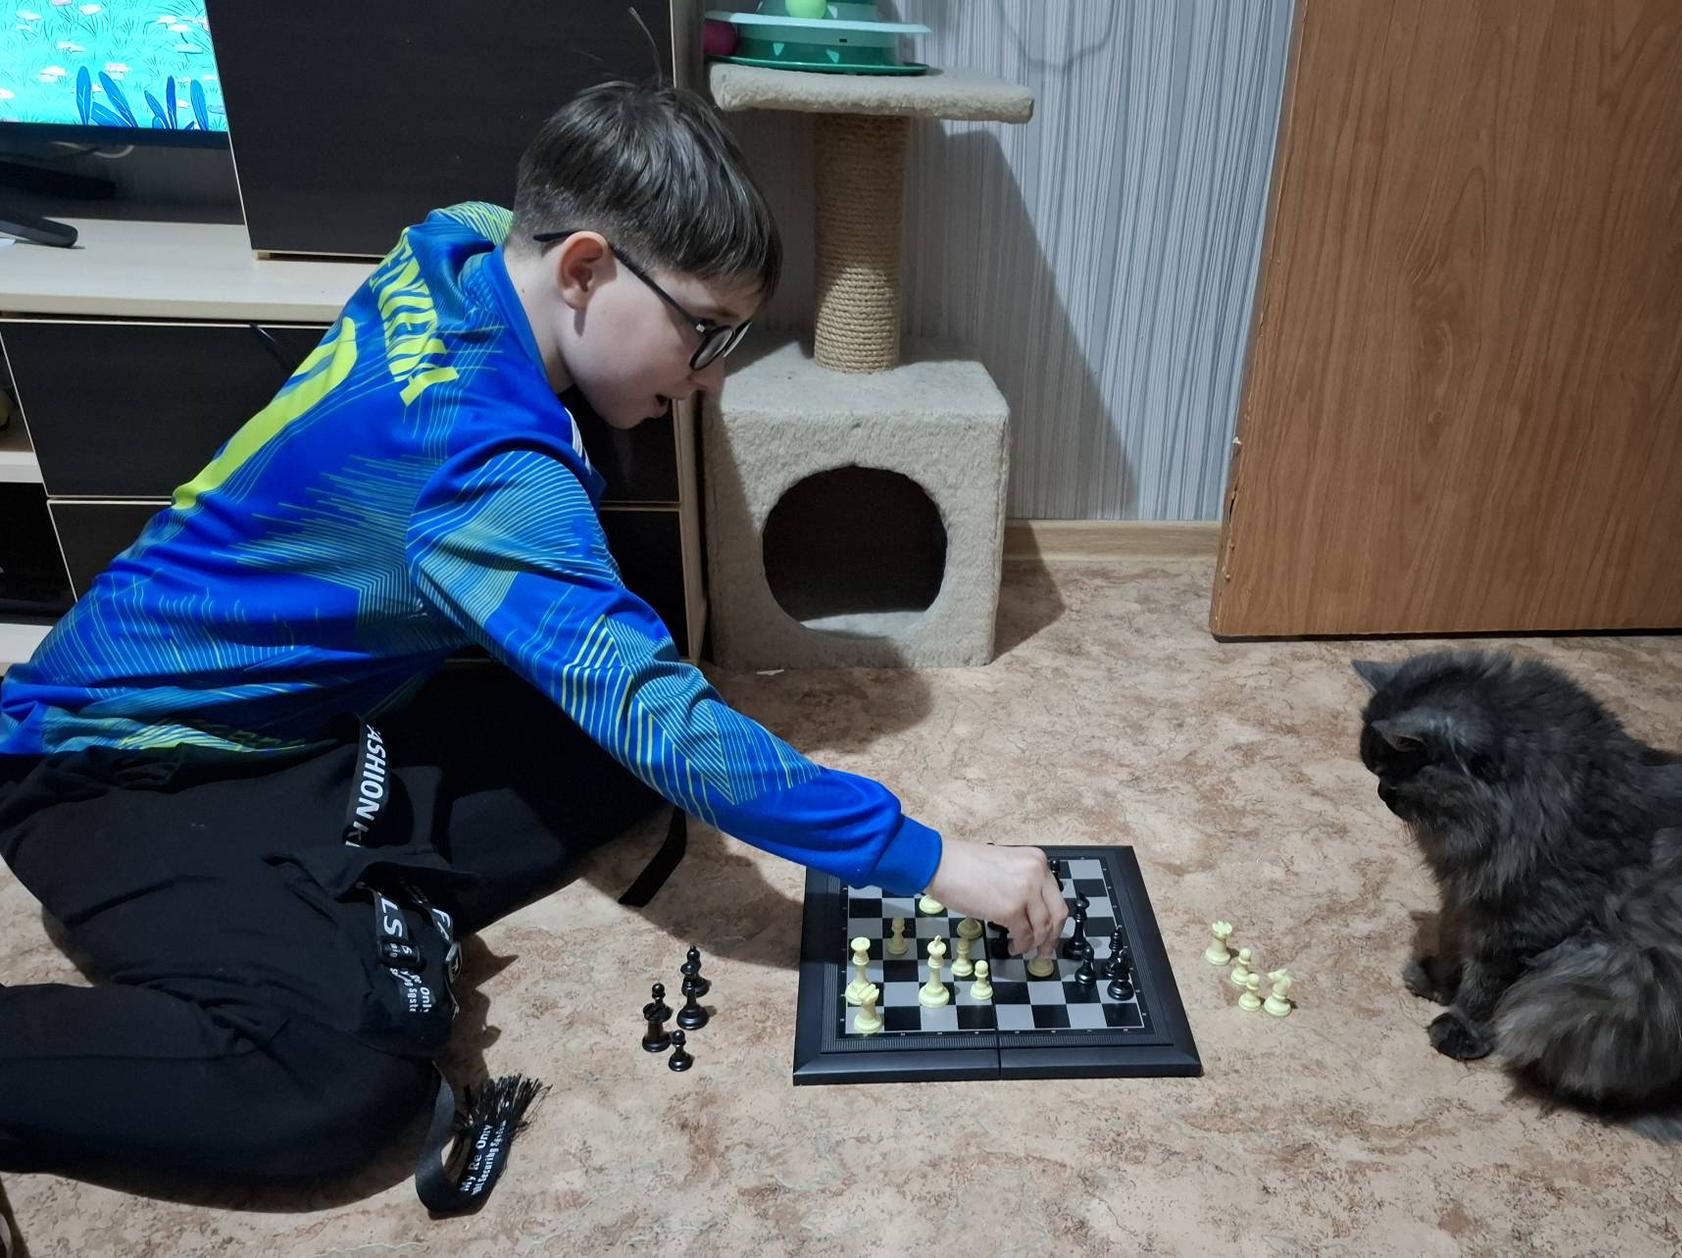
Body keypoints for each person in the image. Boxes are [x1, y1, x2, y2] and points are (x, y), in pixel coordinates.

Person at [0, 80, 1067, 1190]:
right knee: (334, 1087)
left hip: (298, 728)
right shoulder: (485, 466)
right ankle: (314, 932)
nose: (708, 377)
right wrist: (936, 861)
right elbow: (666, 723)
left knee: (610, 740)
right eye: (704, 332)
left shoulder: (461, 242)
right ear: (584, 269)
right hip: (105, 767)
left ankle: (339, 904)